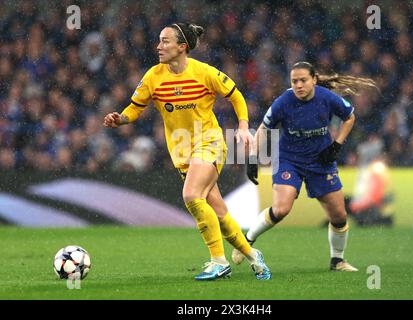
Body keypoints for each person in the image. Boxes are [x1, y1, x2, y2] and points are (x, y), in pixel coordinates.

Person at [103, 23, 271, 280]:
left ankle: (219, 261)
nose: (159, 46)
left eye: (165, 41)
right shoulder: (153, 77)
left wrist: (244, 126)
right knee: (218, 213)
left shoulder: (204, 72)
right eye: (159, 41)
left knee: (191, 195)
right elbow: (135, 108)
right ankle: (253, 256)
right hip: (182, 151)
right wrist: (120, 119)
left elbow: (235, 95)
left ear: (182, 47)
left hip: (210, 142)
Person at [233, 61, 378, 272]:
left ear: (314, 80)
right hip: (290, 161)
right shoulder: (284, 101)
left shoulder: (326, 98)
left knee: (339, 216)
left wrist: (337, 145)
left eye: (303, 80)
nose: (298, 85)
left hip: (321, 162)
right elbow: (264, 128)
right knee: (281, 209)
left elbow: (350, 117)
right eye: (294, 81)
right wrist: (253, 158)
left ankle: (337, 261)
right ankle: (247, 241)